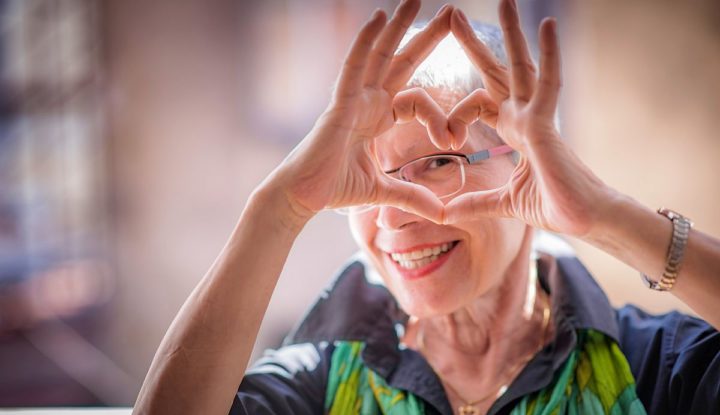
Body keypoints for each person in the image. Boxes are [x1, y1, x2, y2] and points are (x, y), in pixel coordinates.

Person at [132, 0, 720, 414]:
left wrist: (608, 215)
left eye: (439, 161)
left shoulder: (650, 369)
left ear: (528, 163)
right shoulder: (321, 382)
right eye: (367, 180)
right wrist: (278, 210)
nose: (392, 216)